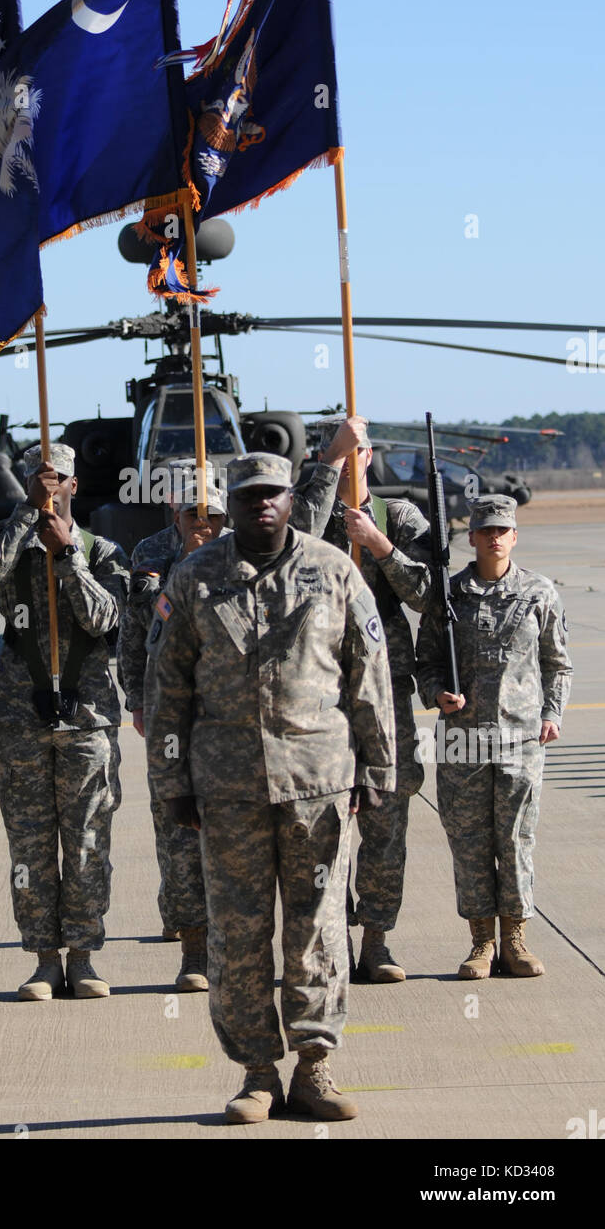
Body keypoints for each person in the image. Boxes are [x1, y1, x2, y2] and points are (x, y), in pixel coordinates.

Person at [144, 453, 396, 1124]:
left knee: (317, 931)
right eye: (248, 495)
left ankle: (314, 1066)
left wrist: (379, 766)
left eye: (272, 494)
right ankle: (257, 1072)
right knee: (237, 934)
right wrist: (170, 782)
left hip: (318, 784)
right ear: (229, 501)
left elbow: (367, 671)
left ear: (291, 498)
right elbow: (166, 690)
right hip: (225, 793)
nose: (261, 505)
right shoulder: (195, 576)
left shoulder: (333, 569)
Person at [0, 443, 129, 1000]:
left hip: (88, 719)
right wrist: (24, 514)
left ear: (74, 486)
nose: (49, 487)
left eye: (58, 480)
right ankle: (41, 959)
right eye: (40, 479)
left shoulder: (101, 551)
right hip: (21, 714)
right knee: (29, 847)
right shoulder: (10, 548)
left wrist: (68, 556)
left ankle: (81, 956)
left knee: (86, 842)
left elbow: (106, 620)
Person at [416, 494, 572, 979]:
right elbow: (427, 662)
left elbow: (557, 663)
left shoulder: (540, 592)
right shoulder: (449, 594)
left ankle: (516, 940)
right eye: (486, 530)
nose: (494, 538)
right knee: (469, 842)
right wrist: (437, 693)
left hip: (521, 740)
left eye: (503, 530)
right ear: (473, 537)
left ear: (515, 536)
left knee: (516, 839)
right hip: (462, 741)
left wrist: (552, 713)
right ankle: (482, 942)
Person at [310, 415, 432, 983]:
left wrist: (379, 546)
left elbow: (432, 594)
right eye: (342, 453)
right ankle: (327, 939)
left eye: (360, 451)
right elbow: (288, 553)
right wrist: (331, 460)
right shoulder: (309, 516)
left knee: (386, 818)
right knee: (322, 823)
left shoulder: (399, 518)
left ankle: (377, 940)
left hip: (384, 695)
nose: (353, 461)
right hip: (321, 695)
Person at [117, 475, 227, 989]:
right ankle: (193, 947)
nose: (205, 525)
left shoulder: (245, 553)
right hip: (171, 710)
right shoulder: (152, 551)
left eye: (215, 517)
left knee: (235, 835)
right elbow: (137, 626)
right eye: (193, 515)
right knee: (178, 831)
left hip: (230, 714)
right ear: (174, 513)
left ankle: (234, 941)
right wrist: (136, 698)